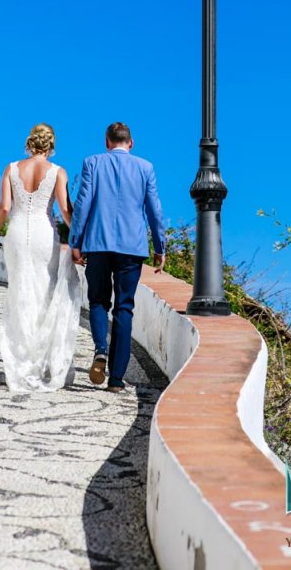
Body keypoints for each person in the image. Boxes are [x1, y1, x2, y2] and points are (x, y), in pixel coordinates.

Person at [0, 123, 81, 393]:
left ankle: (22, 361)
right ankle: (43, 361)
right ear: (50, 146)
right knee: (44, 293)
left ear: (29, 143)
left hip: (16, 233)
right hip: (42, 234)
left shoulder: (11, 169)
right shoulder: (58, 172)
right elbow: (65, 209)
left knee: (20, 292)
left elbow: (4, 207)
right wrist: (81, 239)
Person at [68, 122, 166, 393]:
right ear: (131, 143)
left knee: (98, 301)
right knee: (124, 308)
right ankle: (116, 379)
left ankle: (100, 349)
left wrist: (75, 241)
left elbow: (83, 204)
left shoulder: (92, 163)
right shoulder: (145, 168)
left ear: (106, 141)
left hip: (97, 244)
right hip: (131, 248)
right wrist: (160, 247)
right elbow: (154, 211)